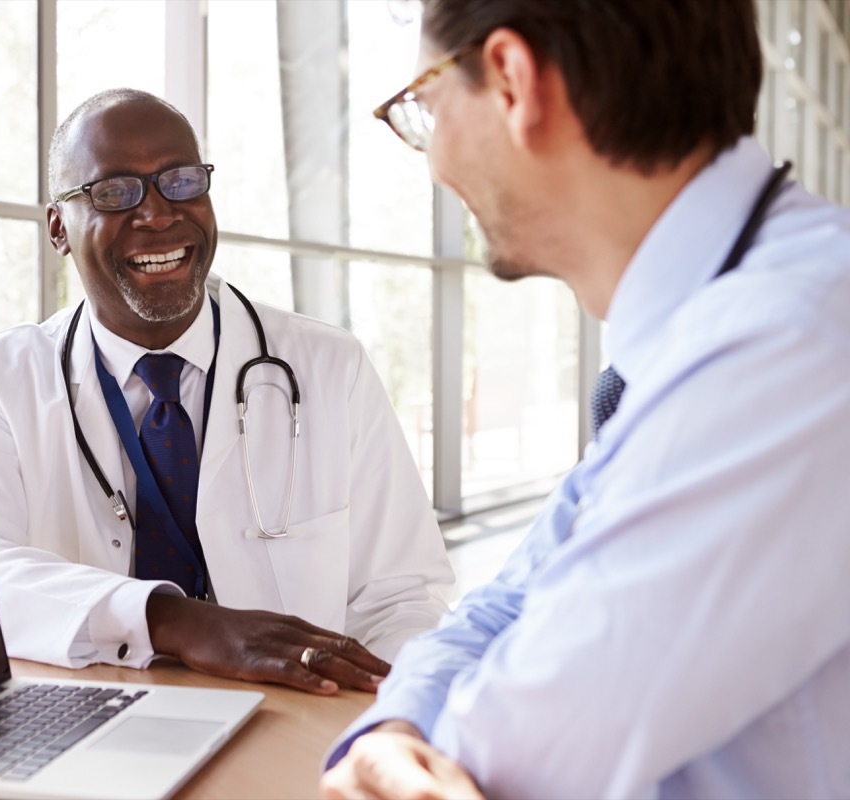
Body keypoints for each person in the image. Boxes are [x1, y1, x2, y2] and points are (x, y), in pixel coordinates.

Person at [321, 1, 850, 798]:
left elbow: (508, 764)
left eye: (424, 110)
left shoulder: (786, 346)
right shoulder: (695, 335)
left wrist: (415, 748)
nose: (432, 163)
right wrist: (397, 729)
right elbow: (505, 606)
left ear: (512, 80)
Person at [0, 88, 455, 697]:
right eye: (114, 192)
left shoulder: (328, 366)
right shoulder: (0, 378)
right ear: (58, 227)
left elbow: (402, 595)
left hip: (291, 718)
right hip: (90, 721)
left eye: (181, 181)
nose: (158, 214)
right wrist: (177, 622)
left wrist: (389, 717)